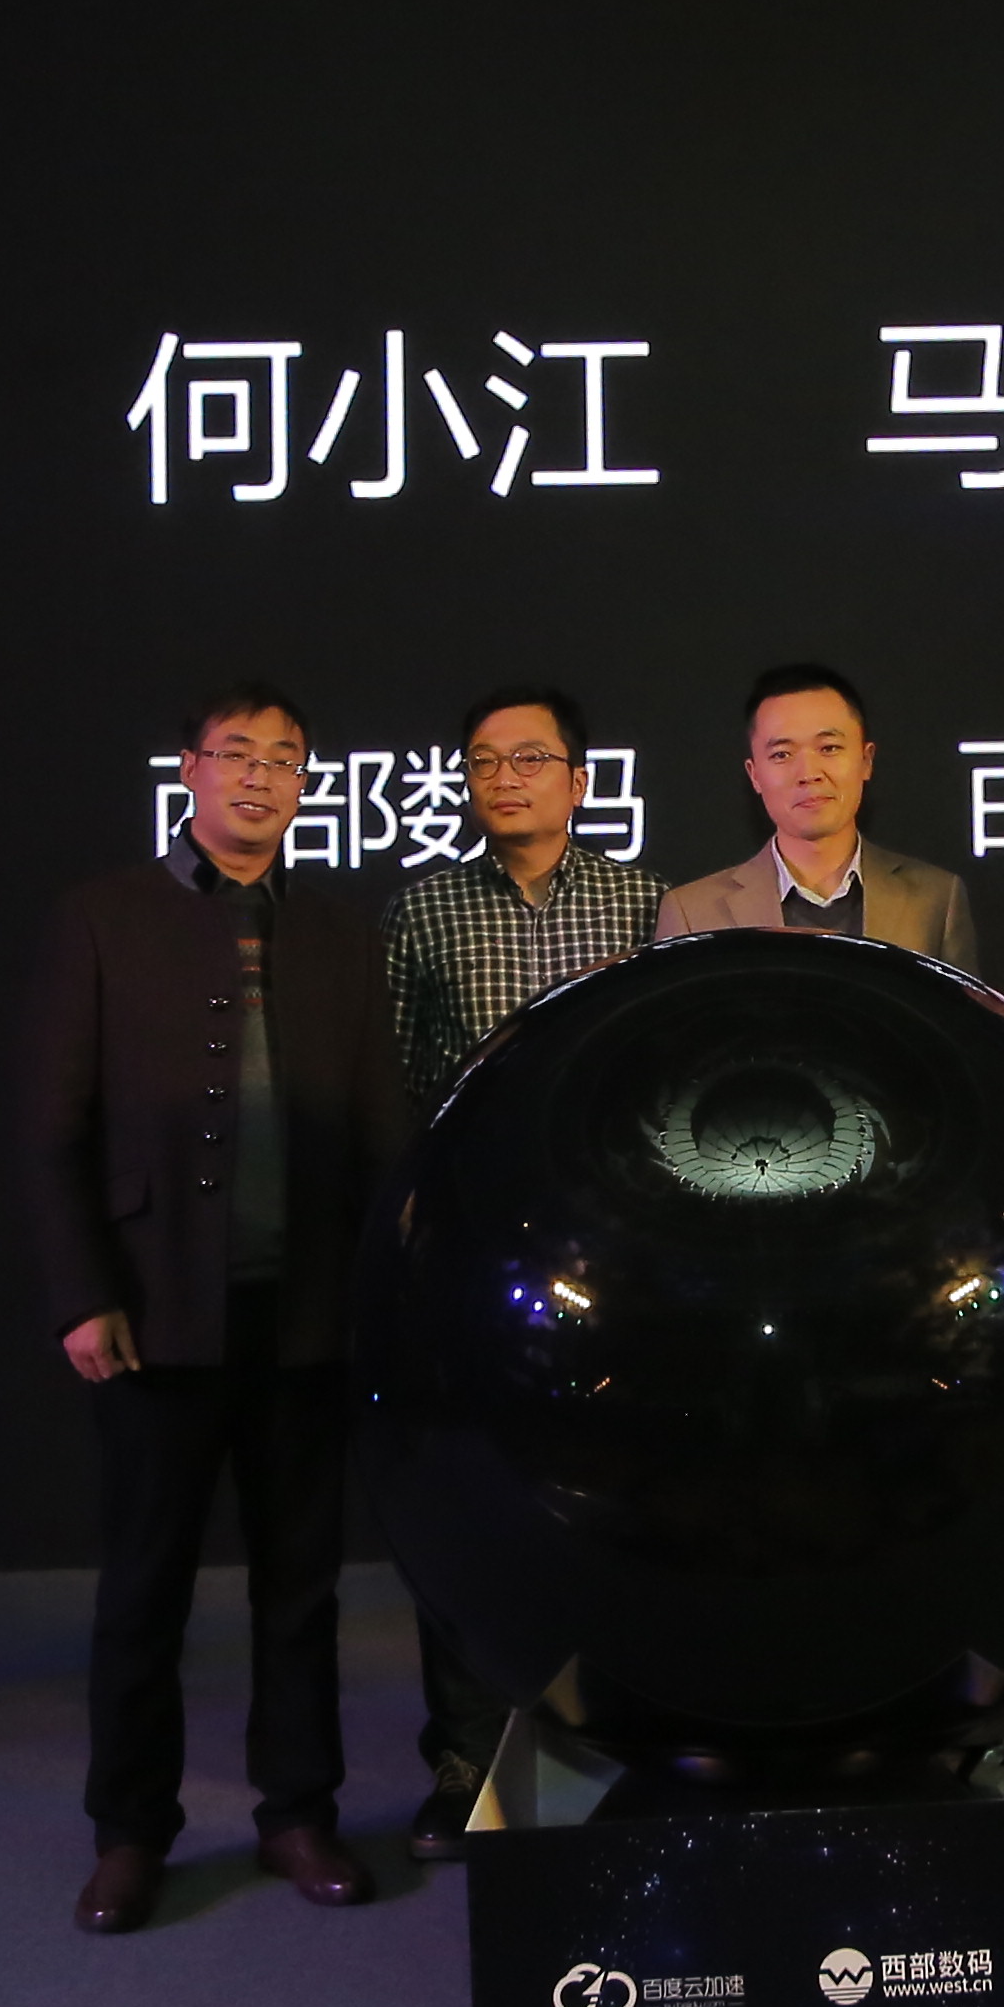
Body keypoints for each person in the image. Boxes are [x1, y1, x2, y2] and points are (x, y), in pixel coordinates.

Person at [22, 680, 418, 1935]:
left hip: (305, 1314)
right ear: (188, 770)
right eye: (236, 753)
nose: (261, 776)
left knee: (301, 1586)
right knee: (145, 1587)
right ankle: (130, 1832)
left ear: (307, 786)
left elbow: (379, 1134)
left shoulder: (340, 933)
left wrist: (385, 1294)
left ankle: (297, 1813)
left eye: (285, 759)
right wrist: (84, 1293)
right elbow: (53, 1131)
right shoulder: (104, 918)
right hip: (155, 1313)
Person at [378, 680, 666, 1857]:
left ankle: (616, 1747)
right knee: (472, 1508)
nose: (506, 779)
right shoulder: (425, 911)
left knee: (612, 1509)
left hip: (619, 1262)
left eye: (531, 759)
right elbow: (402, 1085)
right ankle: (465, 1764)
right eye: (486, 762)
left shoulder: (643, 902)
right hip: (477, 1259)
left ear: (581, 781)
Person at [653, 659, 984, 971]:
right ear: (754, 775)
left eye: (829, 748)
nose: (809, 773)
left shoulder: (936, 899)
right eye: (782, 754)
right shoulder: (692, 913)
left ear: (866, 760)